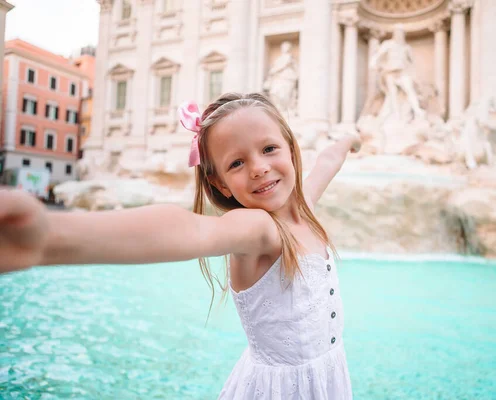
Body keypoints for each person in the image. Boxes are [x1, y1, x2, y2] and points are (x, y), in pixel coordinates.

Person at [0, 92, 361, 399]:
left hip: (325, 375)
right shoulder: (259, 230)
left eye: (269, 148)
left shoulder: (304, 207)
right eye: (237, 162)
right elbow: (187, 230)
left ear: (291, 149)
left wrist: (350, 140)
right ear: (219, 184)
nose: (259, 167)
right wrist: (48, 238)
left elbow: (328, 161)